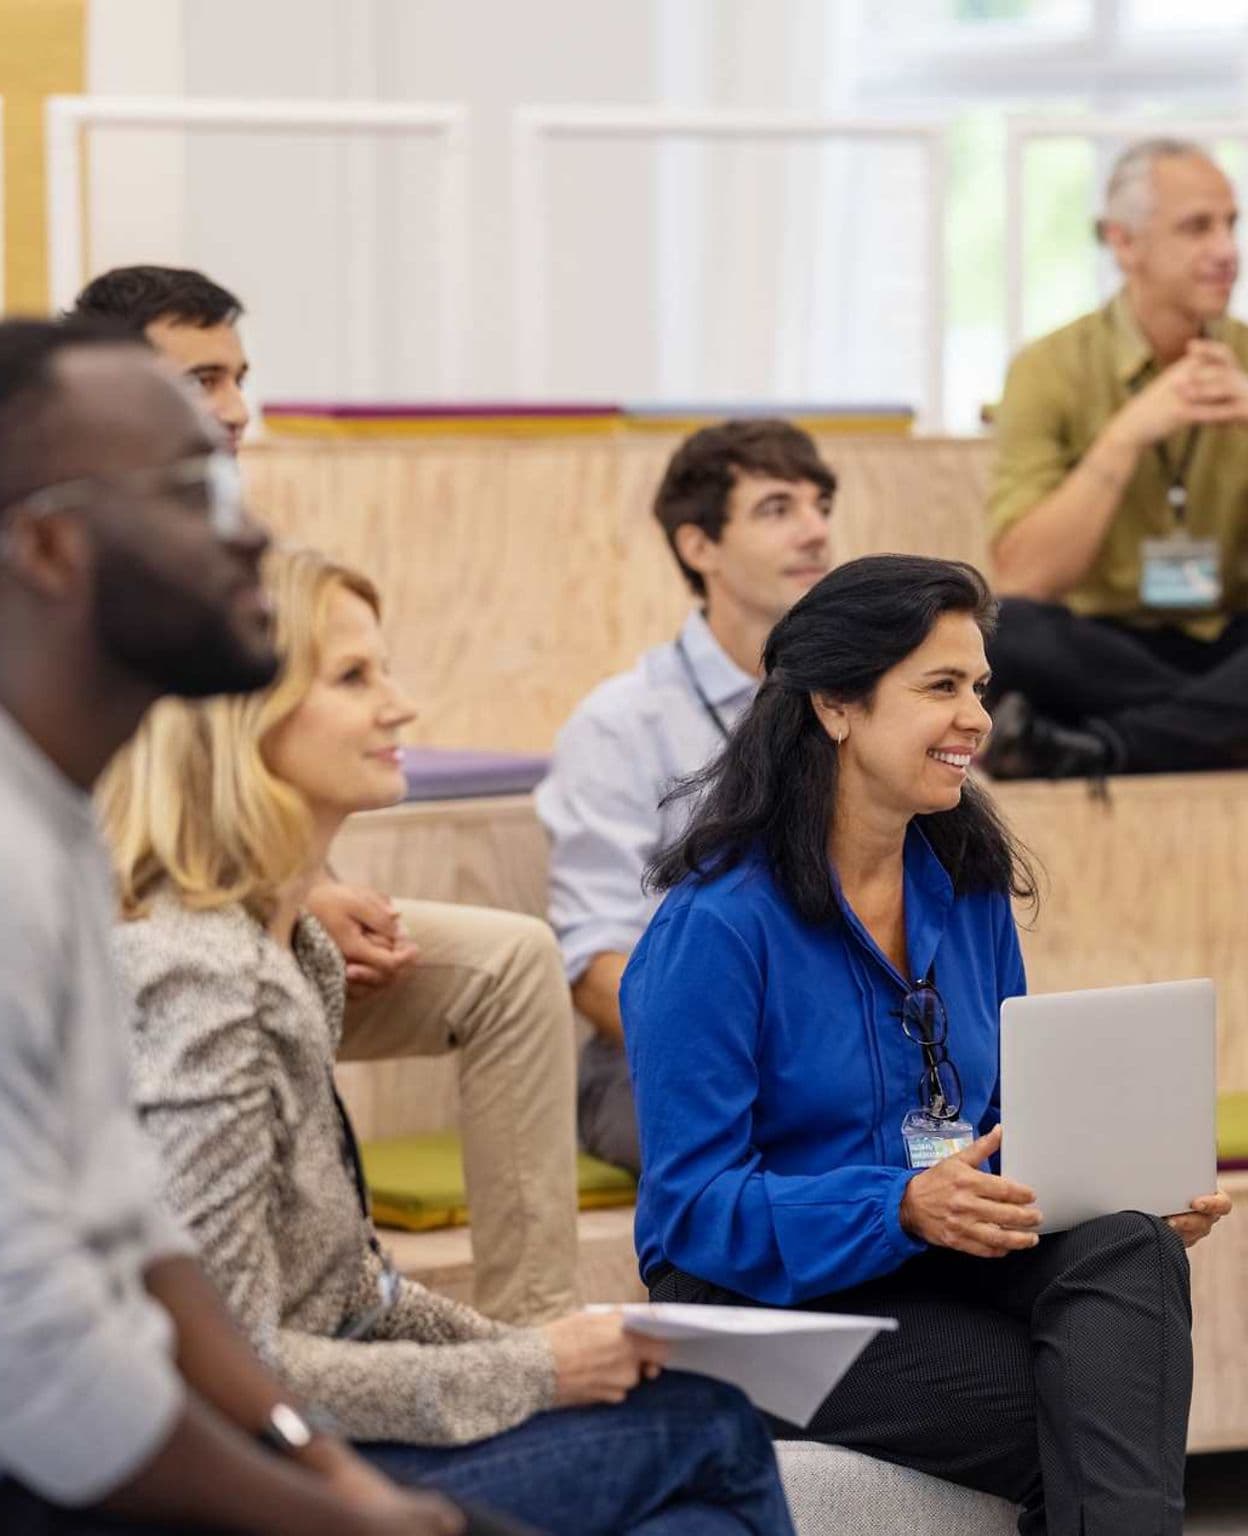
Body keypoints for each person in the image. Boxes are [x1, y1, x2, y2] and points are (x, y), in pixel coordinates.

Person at [98, 544, 796, 1536]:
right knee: (710, 1428)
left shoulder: (297, 952)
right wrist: (530, 1370)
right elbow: (231, 1365)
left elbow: (354, 1295)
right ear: (240, 720)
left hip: (332, 1417)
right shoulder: (203, 981)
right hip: (264, 1474)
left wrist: (543, 1347)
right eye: (352, 678)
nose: (400, 707)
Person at [625, 554, 1232, 1532]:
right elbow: (691, 1212)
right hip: (756, 1310)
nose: (977, 719)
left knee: (1130, 1247)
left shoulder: (967, 877)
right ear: (835, 705)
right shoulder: (716, 928)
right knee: (1096, 1421)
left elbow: (992, 1120)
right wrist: (898, 1204)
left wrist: (1109, 1184)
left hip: (924, 1259)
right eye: (940, 687)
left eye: (979, 688)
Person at [0, 316, 466, 1534]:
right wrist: (334, 1512)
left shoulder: (51, 827)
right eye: (191, 490)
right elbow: (39, 1353)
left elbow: (138, 1237)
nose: (249, 527)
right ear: (50, 545)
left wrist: (324, 1467)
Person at [74, 265, 579, 1322]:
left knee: (508, 960)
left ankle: (536, 1330)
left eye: (240, 376)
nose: (234, 408)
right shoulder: (49, 564)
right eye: (200, 378)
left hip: (247, 911)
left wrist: (310, 886)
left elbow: (260, 753)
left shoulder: (241, 549)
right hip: (109, 944)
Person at [979, 137, 1248, 779]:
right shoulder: (1048, 369)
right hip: (1106, 647)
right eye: (1197, 228)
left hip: (1230, 646)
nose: (1227, 251)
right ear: (1124, 244)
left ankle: (1108, 745)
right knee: (1006, 628)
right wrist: (1126, 437)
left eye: (1232, 226)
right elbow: (1024, 576)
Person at [536, 419, 833, 1171]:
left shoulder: (853, 706)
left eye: (821, 505)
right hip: (660, 1060)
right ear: (698, 546)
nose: (815, 532)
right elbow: (594, 962)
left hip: (833, 1045)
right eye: (777, 509)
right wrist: (759, 1061)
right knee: (812, 1151)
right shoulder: (620, 722)